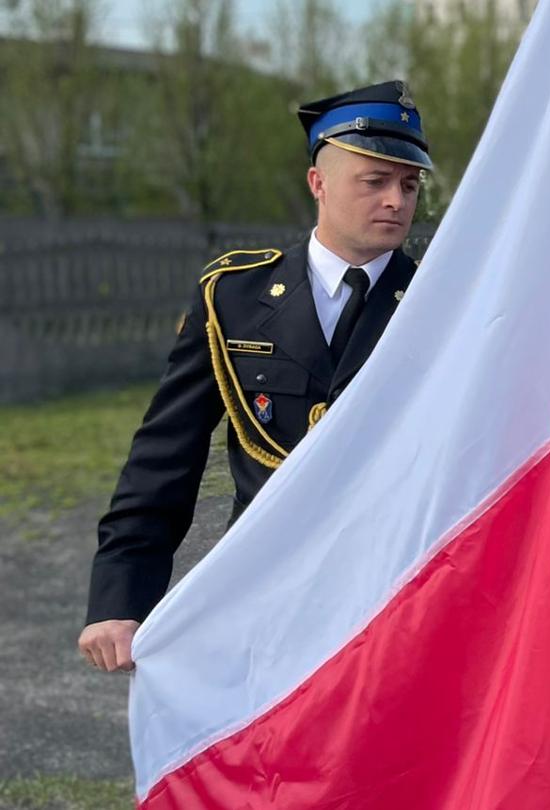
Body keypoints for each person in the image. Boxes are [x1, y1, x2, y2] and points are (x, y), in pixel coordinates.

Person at [78, 81, 433, 672]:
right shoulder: (233, 296)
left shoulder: (439, 301)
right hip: (265, 595)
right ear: (318, 183)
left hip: (395, 595)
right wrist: (121, 596)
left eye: (410, 184)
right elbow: (166, 456)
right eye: (375, 181)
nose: (396, 200)